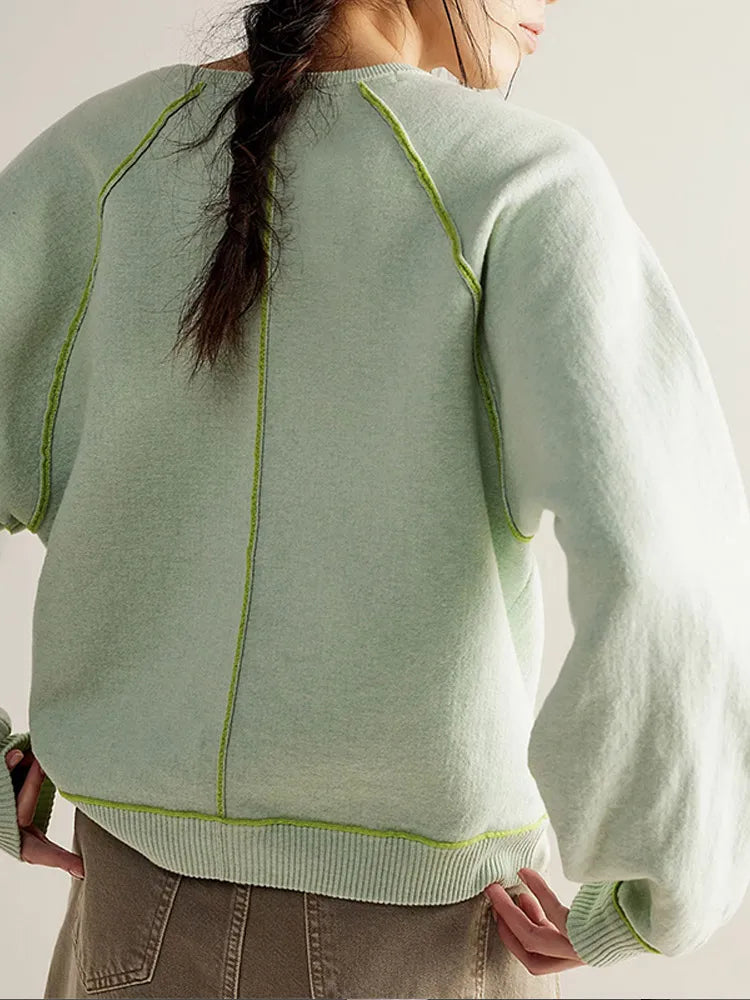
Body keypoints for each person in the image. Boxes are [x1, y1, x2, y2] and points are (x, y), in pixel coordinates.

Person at [2, 0, 749, 995]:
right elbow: (664, 559)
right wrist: (655, 896)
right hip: (424, 942)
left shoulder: (97, 160)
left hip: (127, 919)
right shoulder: (516, 179)